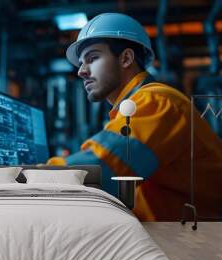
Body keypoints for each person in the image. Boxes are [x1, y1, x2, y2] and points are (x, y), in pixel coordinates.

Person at [47, 13, 222, 221]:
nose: (81, 71)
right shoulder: (135, 107)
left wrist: (29, 176)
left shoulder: (156, 101)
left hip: (198, 246)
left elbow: (102, 167)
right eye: (81, 63)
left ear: (126, 59)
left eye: (92, 58)